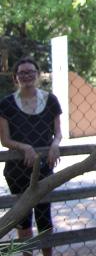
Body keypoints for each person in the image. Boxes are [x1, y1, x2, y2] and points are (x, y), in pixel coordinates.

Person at [0, 57, 62, 256]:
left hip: (44, 167)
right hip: (17, 169)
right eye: (22, 73)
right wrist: (25, 147)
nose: (26, 76)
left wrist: (55, 144)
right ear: (15, 78)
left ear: (38, 74)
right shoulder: (6, 104)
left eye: (30, 72)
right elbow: (5, 140)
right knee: (23, 219)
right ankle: (27, 254)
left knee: (44, 216)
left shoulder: (50, 99)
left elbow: (58, 132)